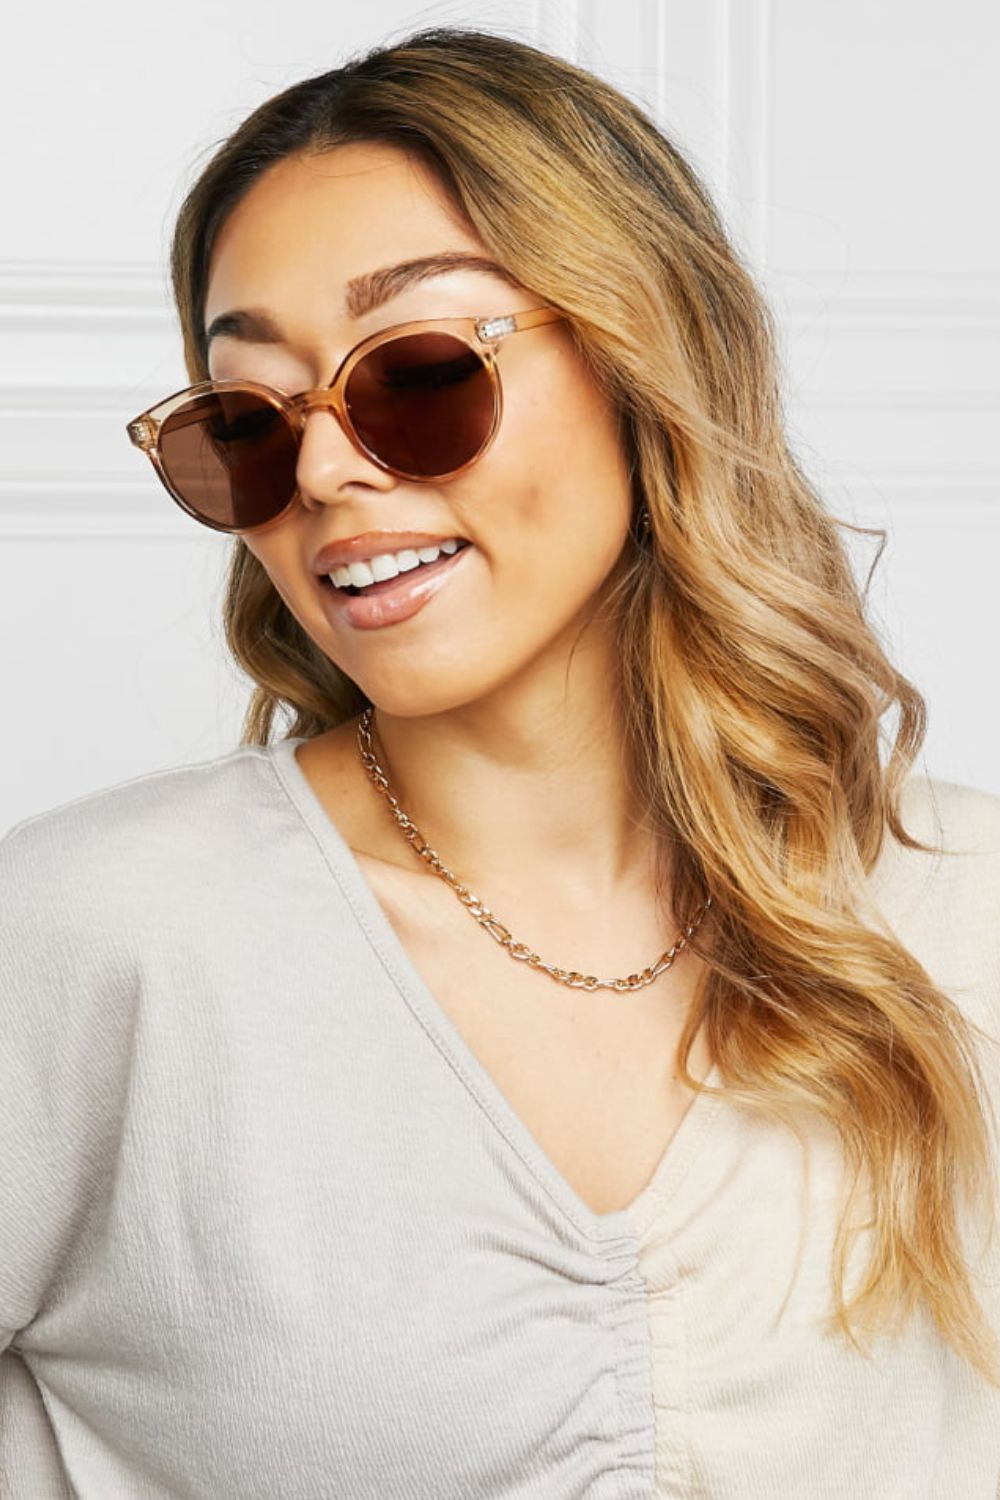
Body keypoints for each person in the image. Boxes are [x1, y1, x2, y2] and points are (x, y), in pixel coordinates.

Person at [1, 24, 998, 1500]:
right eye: (247, 421)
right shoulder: (93, 940)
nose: (323, 471)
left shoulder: (963, 909)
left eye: (415, 374)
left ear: (641, 359)